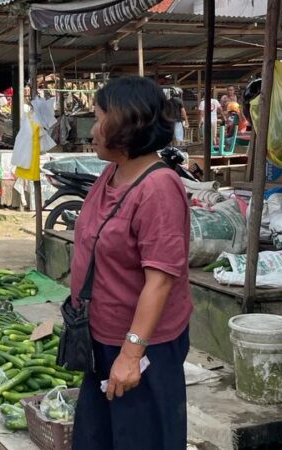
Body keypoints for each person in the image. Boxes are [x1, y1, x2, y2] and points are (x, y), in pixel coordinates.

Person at [70, 77, 192, 450]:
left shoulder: (158, 188)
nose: (91, 129)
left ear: (123, 124)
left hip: (142, 349)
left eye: (98, 117)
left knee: (143, 438)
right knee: (100, 438)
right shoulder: (112, 173)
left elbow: (160, 281)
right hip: (102, 341)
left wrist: (131, 352)